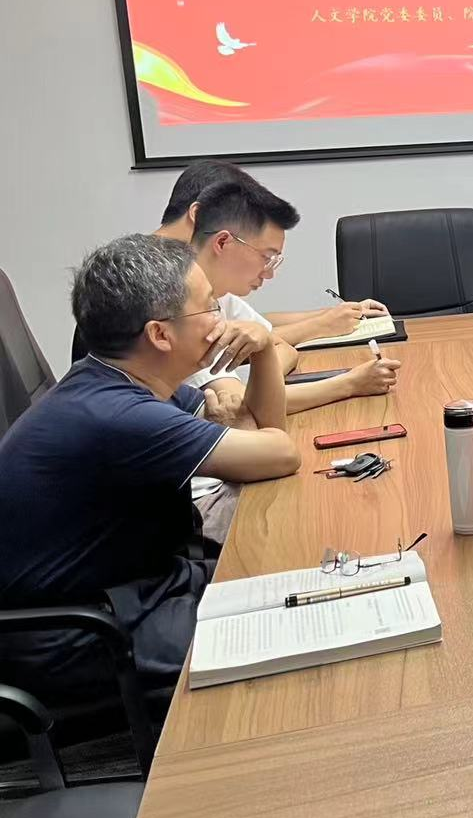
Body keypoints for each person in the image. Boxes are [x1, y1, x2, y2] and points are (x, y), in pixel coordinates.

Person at [0, 235, 300, 712]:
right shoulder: (121, 417)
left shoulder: (120, 380)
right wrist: (263, 353)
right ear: (161, 335)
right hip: (78, 634)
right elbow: (280, 452)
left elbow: (253, 429)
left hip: (136, 586)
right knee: (285, 637)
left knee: (290, 582)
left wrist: (262, 352)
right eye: (210, 307)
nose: (222, 321)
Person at [183, 178, 401, 419]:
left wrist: (262, 375)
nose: (269, 273)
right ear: (223, 242)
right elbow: (243, 407)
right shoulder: (184, 309)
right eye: (267, 257)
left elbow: (281, 346)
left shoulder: (220, 297)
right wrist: (351, 384)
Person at [154, 159, 389, 349]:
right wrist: (320, 326)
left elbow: (252, 323)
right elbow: (219, 352)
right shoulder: (155, 278)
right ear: (201, 213)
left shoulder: (196, 266)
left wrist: (332, 315)